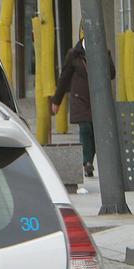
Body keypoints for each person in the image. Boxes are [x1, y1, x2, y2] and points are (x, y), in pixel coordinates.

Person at [52, 36, 115, 178]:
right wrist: (57, 101)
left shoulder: (103, 51)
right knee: (85, 128)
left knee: (93, 131)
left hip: (97, 100)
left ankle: (89, 162)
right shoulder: (73, 54)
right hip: (79, 99)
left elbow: (111, 74)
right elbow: (64, 78)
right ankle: (86, 162)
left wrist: (104, 55)